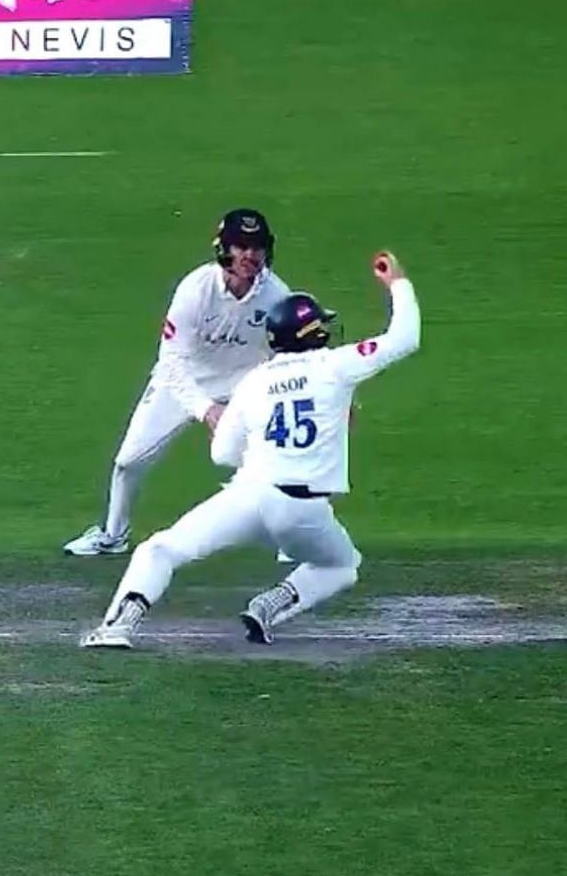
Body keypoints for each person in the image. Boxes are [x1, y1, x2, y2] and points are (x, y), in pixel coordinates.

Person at [81, 251, 421, 648]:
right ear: (311, 333)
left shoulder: (252, 382)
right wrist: (397, 281)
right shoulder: (336, 366)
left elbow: (221, 454)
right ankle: (268, 606)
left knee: (162, 547)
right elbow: (405, 338)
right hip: (304, 512)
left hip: (248, 497)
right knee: (341, 565)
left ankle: (117, 626)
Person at [63, 210, 293, 556]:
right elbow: (170, 361)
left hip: (244, 385)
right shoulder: (195, 289)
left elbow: (287, 353)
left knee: (276, 458)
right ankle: (113, 536)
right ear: (224, 248)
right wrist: (206, 409)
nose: (250, 255)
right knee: (128, 462)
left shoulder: (276, 295)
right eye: (240, 246)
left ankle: (292, 539)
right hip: (184, 382)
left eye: (257, 247)